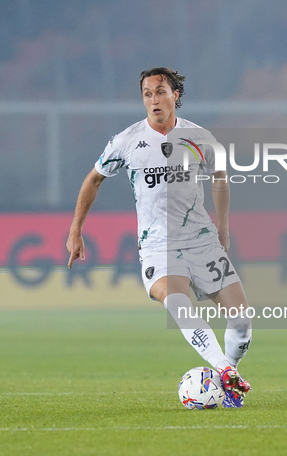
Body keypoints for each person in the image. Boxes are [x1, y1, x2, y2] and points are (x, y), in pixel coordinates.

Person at [66, 67, 252, 407]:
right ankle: (223, 368)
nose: (154, 99)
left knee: (241, 319)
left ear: (175, 95)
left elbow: (220, 177)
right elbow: (93, 180)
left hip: (202, 241)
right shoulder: (126, 142)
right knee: (179, 304)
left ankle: (230, 380)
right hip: (158, 247)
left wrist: (223, 228)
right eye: (147, 94)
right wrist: (75, 229)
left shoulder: (201, 138)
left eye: (160, 91)